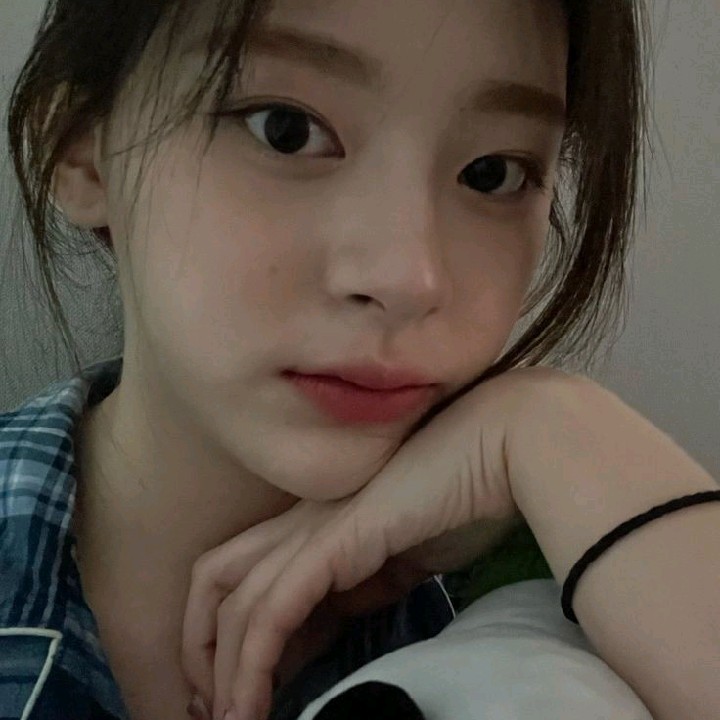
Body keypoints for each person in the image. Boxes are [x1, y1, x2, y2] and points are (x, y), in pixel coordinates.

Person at [1, 1, 718, 720]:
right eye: (286, 130)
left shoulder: (579, 584)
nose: (409, 277)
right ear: (80, 150)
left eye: (492, 173)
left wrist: (548, 421)